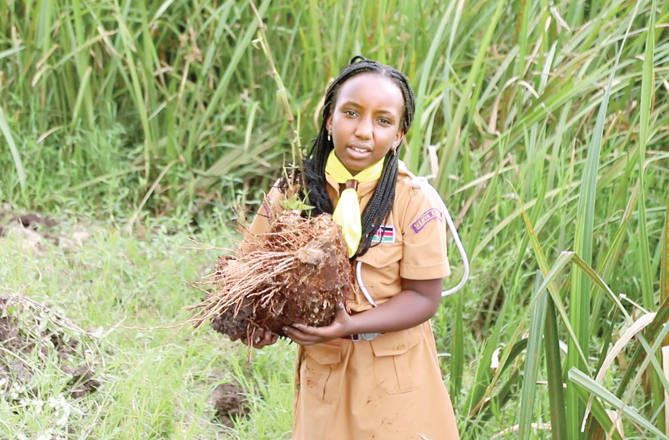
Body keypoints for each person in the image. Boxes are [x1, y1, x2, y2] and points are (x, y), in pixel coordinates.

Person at [244, 56, 460, 440]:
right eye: (351, 113)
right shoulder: (294, 192)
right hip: (325, 372)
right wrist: (259, 321)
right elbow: (252, 271)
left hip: (397, 376)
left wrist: (351, 326)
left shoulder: (414, 201)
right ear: (329, 120)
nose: (363, 131)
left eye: (382, 120)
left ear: (398, 135)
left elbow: (425, 297)